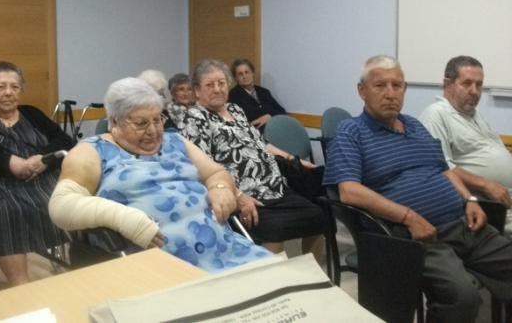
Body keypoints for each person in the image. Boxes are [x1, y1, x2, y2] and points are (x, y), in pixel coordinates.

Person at [324, 55, 512, 323]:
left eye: (397, 85)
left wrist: (470, 198)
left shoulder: (415, 125)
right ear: (362, 91)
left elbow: (445, 170)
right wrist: (408, 217)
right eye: (380, 86)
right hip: (416, 236)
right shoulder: (351, 131)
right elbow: (349, 190)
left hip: (464, 225)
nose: (390, 93)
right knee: (463, 297)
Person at [48, 77, 271, 272]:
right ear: (114, 121)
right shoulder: (92, 151)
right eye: (141, 123)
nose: (154, 131)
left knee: (279, 282)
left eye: (157, 119)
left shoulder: (175, 140)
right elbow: (61, 205)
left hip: (228, 249)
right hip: (161, 266)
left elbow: (215, 172)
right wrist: (126, 219)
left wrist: (220, 188)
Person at [179, 59, 325, 259]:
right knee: (275, 229)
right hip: (247, 195)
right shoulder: (194, 118)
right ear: (197, 91)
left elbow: (261, 143)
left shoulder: (235, 109)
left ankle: (311, 271)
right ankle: (274, 276)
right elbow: (205, 169)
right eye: (210, 85)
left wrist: (293, 158)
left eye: (221, 83)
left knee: (317, 217)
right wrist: (239, 197)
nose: (217, 89)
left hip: (275, 188)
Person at [0, 61, 73, 286]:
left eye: (15, 87)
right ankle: (20, 283)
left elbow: (65, 141)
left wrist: (43, 160)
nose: (9, 92)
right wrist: (8, 163)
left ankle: (83, 268)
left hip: (43, 180)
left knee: (73, 199)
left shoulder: (32, 113)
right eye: (1, 87)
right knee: (4, 209)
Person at [420, 56, 512, 231]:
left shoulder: (475, 115)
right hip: (487, 207)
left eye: (479, 84)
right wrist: (486, 184)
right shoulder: (436, 115)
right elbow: (441, 168)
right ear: (447, 84)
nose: (474, 91)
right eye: (467, 83)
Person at [228, 59, 286, 130]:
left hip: (276, 128)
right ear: (236, 78)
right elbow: (239, 124)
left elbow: (282, 111)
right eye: (240, 74)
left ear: (252, 73)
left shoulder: (264, 92)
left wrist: (269, 116)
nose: (244, 76)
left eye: (247, 72)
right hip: (254, 133)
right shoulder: (232, 96)